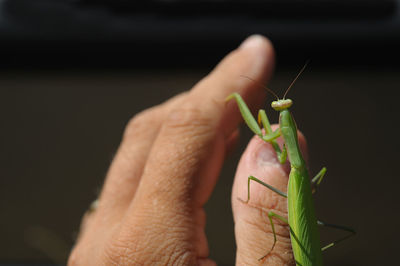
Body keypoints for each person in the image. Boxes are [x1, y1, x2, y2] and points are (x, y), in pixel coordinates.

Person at [68, 35, 306, 265]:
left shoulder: (285, 145)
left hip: (296, 188)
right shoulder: (290, 138)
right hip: (298, 175)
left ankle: (275, 241)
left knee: (275, 209)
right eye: (278, 105)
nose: (278, 106)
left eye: (281, 106)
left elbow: (267, 137)